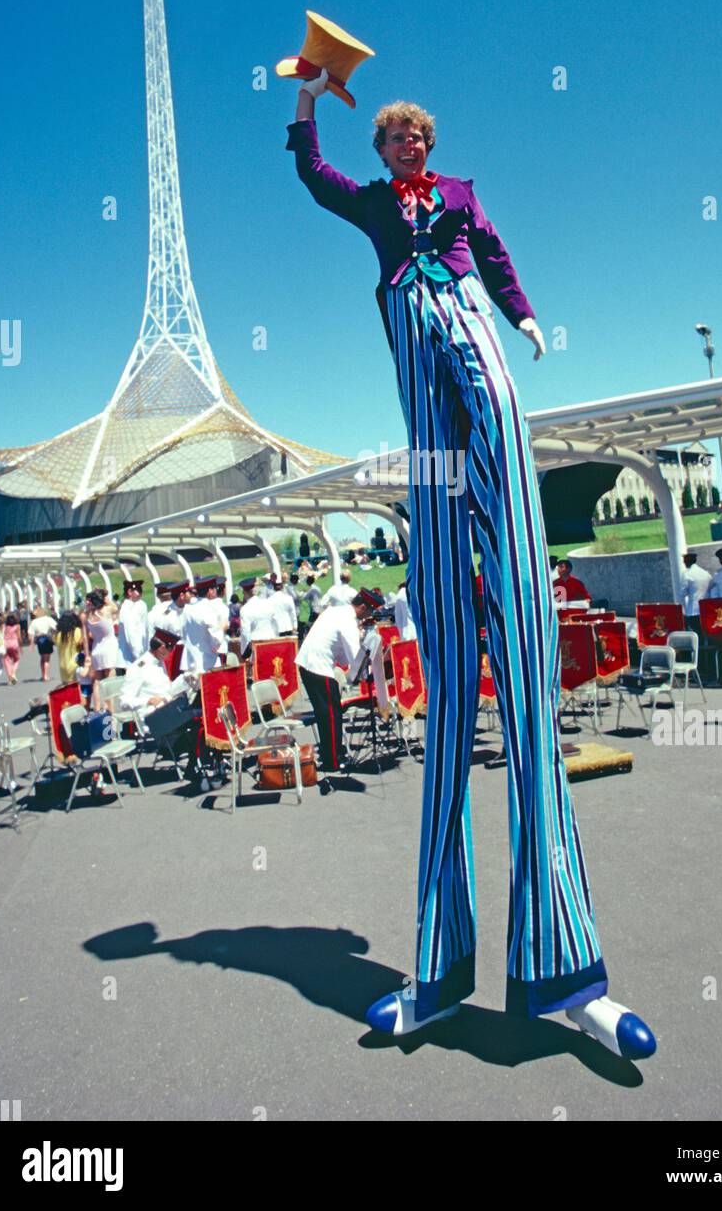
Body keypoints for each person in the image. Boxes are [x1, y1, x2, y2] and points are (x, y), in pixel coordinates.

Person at [284, 69, 655, 1056]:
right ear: (384, 151)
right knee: (450, 698)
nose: (407, 151)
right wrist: (308, 103)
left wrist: (525, 313)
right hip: (424, 403)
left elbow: (491, 255)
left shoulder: (460, 200)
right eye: (394, 141)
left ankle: (567, 971)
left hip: (474, 341)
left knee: (529, 676)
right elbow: (314, 179)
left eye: (416, 140)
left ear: (429, 147)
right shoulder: (370, 208)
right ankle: (439, 971)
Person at [295, 588, 383, 772]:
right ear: (362, 607)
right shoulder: (348, 621)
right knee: (331, 715)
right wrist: (367, 672)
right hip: (318, 666)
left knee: (327, 714)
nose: (367, 616)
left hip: (310, 664)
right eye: (369, 611)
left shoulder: (336, 610)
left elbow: (342, 653)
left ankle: (333, 754)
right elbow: (354, 656)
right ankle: (333, 761)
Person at [181, 577, 226, 671]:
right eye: (215, 589)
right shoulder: (208, 609)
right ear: (210, 591)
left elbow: (184, 632)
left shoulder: (187, 608)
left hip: (190, 658)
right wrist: (217, 645)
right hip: (206, 659)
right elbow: (216, 635)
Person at [679, 551, 711, 641]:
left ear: (686, 562)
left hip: (693, 611)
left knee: (696, 637)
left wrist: (683, 610)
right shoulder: (706, 573)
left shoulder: (687, 574)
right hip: (706, 609)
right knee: (707, 635)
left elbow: (682, 593)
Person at [118, 579, 149, 667]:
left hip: (139, 654)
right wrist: (138, 656)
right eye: (138, 590)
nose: (141, 593)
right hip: (131, 658)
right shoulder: (127, 608)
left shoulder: (138, 605)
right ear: (130, 592)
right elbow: (131, 634)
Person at [29, 605, 57, 681]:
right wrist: (54, 635)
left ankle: (43, 674)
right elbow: (55, 627)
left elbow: (31, 633)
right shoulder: (48, 619)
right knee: (47, 658)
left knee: (42, 657)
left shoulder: (34, 621)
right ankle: (46, 675)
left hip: (39, 640)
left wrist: (32, 644)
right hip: (47, 638)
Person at [1, 613, 22, 685]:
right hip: (14, 644)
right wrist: (21, 646)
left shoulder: (4, 626)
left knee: (7, 661)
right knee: (16, 659)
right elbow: (19, 637)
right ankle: (13, 673)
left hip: (5, 644)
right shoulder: (17, 626)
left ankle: (10, 679)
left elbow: (1, 635)